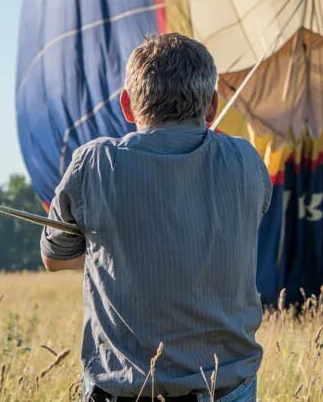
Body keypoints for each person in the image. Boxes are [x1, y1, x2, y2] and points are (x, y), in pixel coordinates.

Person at [40, 33, 272, 402]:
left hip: (124, 391)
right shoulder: (247, 161)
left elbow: (55, 258)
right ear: (212, 106)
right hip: (226, 389)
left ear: (127, 106)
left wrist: (117, 254)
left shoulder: (95, 163)